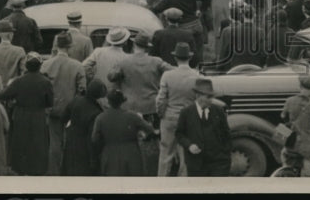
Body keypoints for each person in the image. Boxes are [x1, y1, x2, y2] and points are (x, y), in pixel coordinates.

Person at [0, 52, 52, 176]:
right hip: (38, 114)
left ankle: (20, 167)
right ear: (40, 66)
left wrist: (14, 99)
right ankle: (37, 168)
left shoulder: (19, 81)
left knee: (21, 141)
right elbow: (49, 102)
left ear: (26, 66)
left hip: (21, 114)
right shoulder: (45, 82)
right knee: (38, 142)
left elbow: (3, 95)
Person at [41, 31, 86, 174]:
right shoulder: (78, 66)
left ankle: (54, 172)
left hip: (52, 108)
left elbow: (43, 88)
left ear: (56, 45)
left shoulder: (46, 64)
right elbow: (82, 89)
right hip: (71, 110)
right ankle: (69, 171)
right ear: (70, 47)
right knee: (70, 142)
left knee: (54, 143)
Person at [155, 42, 200, 177]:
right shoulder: (197, 76)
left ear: (175, 58)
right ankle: (183, 184)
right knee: (186, 154)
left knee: (166, 153)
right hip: (189, 120)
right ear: (189, 58)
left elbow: (160, 99)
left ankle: (161, 183)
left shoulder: (168, 75)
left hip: (169, 117)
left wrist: (161, 114)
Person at [174, 77, 232, 177]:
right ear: (198, 96)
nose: (211, 100)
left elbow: (226, 134)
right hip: (196, 165)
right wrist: (189, 145)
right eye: (208, 97)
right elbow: (179, 134)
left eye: (212, 97)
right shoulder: (186, 113)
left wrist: (225, 155)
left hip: (219, 164)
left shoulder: (218, 111)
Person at [91, 88, 156, 176]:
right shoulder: (132, 116)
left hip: (110, 154)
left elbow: (94, 139)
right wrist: (141, 134)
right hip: (132, 154)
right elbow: (150, 129)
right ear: (122, 102)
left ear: (108, 101)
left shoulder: (100, 118)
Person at [62, 80, 106, 176]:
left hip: (71, 140)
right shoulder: (96, 111)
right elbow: (93, 139)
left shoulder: (76, 100)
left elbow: (64, 116)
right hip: (85, 147)